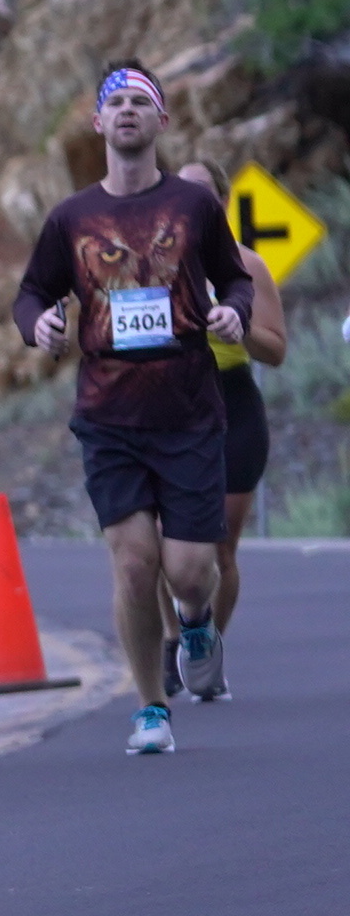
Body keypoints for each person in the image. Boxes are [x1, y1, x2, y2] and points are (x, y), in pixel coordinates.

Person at [12, 67, 251, 755]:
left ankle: (196, 620)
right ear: (97, 123)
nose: (126, 110)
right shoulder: (71, 217)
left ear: (161, 121)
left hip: (188, 410)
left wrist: (234, 312)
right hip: (108, 415)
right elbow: (30, 294)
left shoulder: (193, 205)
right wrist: (38, 326)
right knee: (135, 565)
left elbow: (234, 278)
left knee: (189, 571)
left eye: (140, 101)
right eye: (114, 101)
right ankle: (151, 707)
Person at [168, 163, 288, 697]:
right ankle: (173, 639)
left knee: (220, 548)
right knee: (164, 545)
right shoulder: (154, 264)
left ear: (220, 201)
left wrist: (239, 326)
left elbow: (276, 350)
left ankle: (206, 650)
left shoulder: (247, 264)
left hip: (234, 406)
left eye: (202, 193)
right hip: (173, 408)